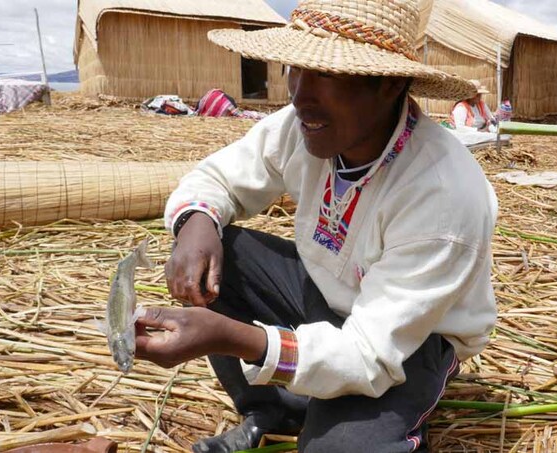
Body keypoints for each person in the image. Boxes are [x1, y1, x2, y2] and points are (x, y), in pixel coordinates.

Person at [133, 1, 498, 452]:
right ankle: (271, 411)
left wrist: (230, 337)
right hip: (326, 293)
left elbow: (368, 355)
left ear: (389, 84)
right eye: (295, 68)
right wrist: (195, 223)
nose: (299, 93)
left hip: (410, 340)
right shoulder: (302, 126)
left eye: (325, 74)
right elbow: (218, 178)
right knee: (218, 245)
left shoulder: (441, 196)